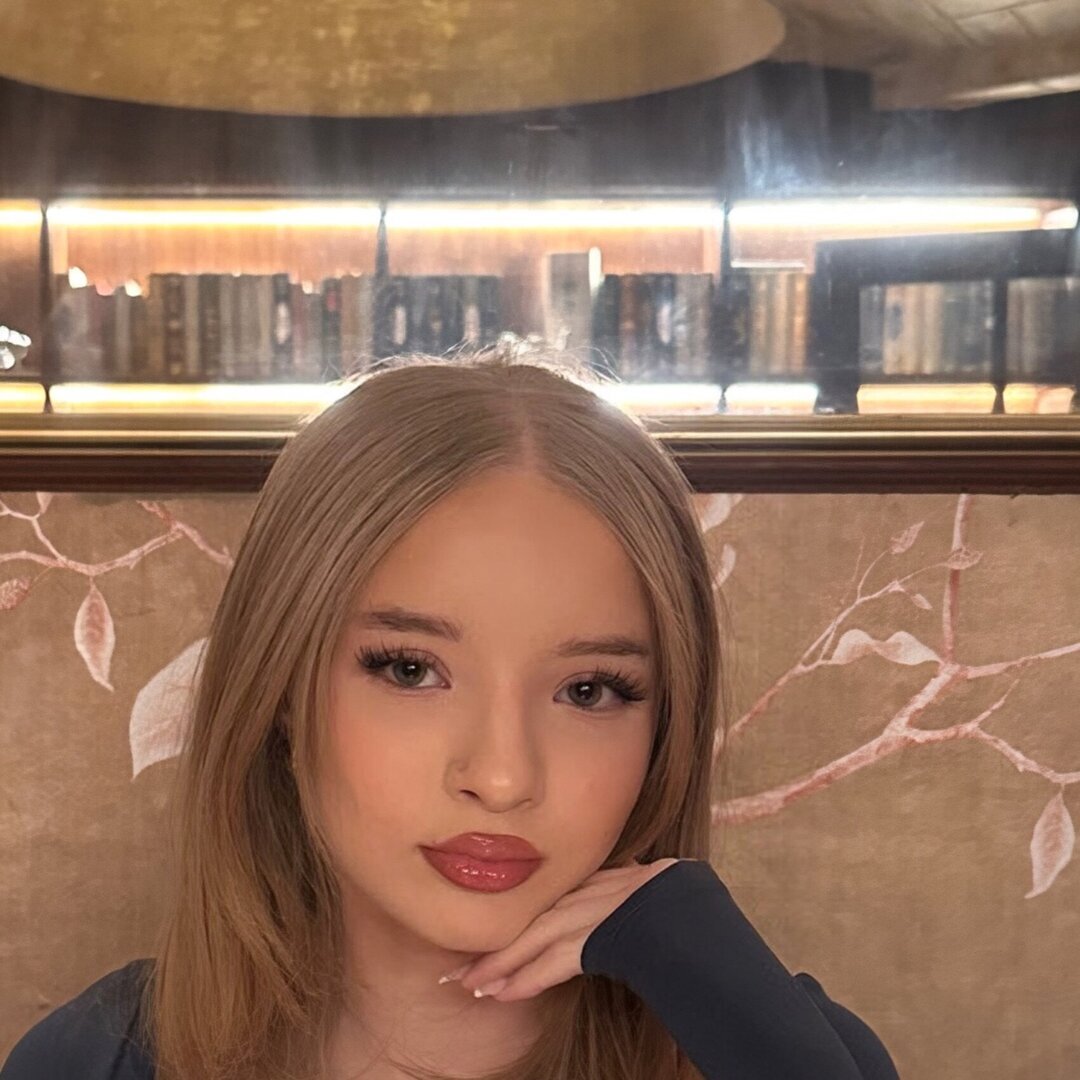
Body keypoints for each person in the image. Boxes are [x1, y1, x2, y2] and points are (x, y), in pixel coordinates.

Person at [2, 348, 901, 1080]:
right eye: (410, 670)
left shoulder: (786, 1053)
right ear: (279, 690)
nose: (502, 777)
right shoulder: (98, 1061)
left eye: (589, 690)